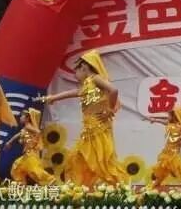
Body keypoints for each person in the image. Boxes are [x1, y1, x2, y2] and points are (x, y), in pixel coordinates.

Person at [35, 50, 126, 185]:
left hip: (98, 128)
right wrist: (52, 97)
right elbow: (74, 92)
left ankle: (118, 187)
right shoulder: (88, 84)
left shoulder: (95, 78)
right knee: (78, 158)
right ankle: (81, 187)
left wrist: (110, 110)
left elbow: (113, 90)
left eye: (76, 71)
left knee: (101, 160)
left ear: (84, 67)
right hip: (89, 129)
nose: (75, 75)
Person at [145, 107, 181, 187]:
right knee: (162, 166)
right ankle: (158, 181)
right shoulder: (169, 124)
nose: (168, 117)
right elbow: (162, 122)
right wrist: (154, 120)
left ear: (175, 116)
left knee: (179, 165)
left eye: (169, 115)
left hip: (175, 150)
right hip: (167, 150)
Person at [5, 108, 55, 185]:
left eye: (22, 116)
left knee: (34, 170)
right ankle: (21, 183)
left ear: (27, 118)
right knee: (17, 167)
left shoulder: (28, 126)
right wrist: (9, 142)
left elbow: (38, 132)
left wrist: (34, 142)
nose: (20, 118)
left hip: (30, 154)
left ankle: (50, 179)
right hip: (27, 155)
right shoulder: (25, 128)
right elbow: (18, 135)